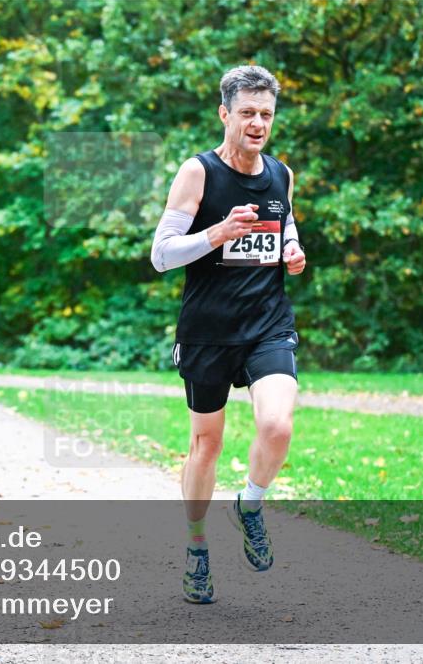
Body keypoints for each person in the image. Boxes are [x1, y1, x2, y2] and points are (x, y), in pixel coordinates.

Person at [149, 65, 307, 604]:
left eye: (266, 114)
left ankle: (251, 502)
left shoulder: (280, 174)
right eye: (247, 113)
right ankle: (196, 548)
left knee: (278, 424)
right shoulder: (198, 173)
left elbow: (284, 228)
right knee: (206, 444)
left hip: (267, 324)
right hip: (208, 331)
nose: (258, 123)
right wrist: (216, 232)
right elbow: (161, 255)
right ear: (225, 114)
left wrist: (293, 251)